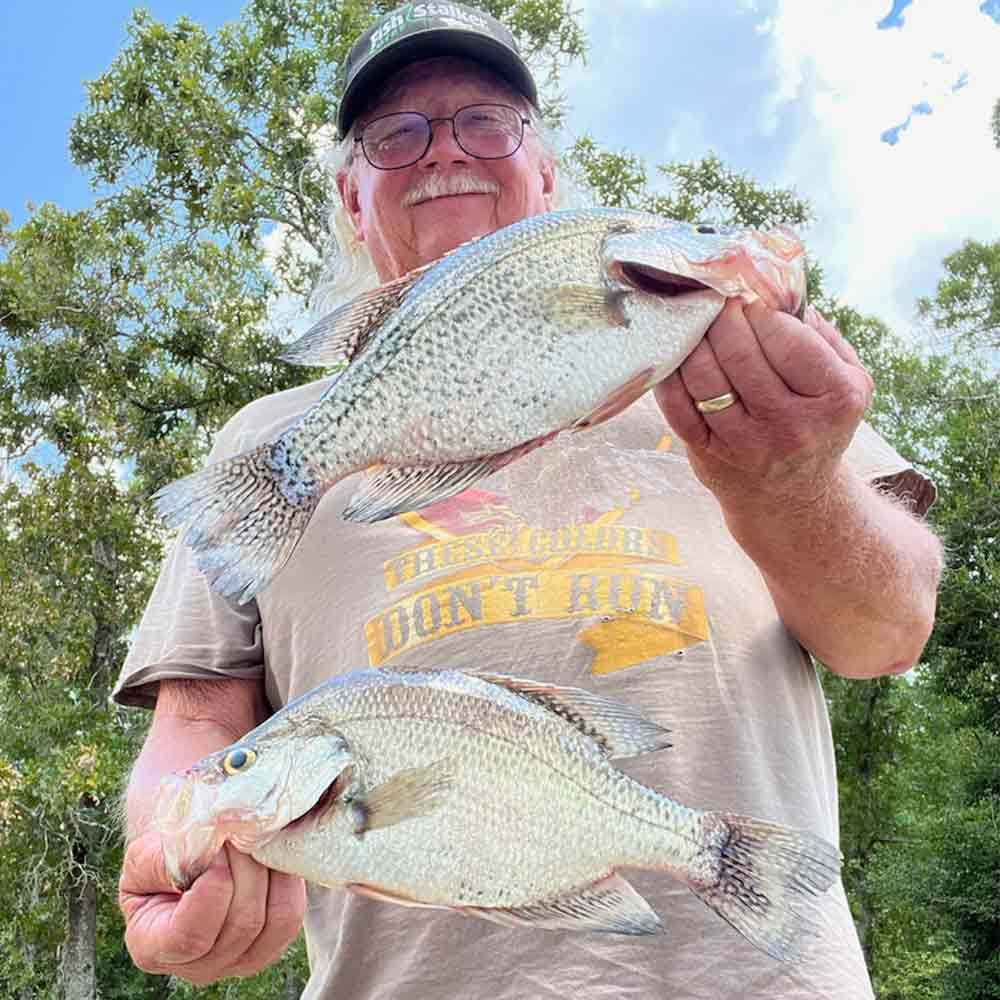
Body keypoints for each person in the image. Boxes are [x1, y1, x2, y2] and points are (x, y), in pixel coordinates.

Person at [114, 4, 942, 997]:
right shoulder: (267, 442)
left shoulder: (747, 379)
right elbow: (200, 720)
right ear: (348, 191)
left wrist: (794, 487)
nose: (441, 155)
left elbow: (887, 634)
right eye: (395, 136)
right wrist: (178, 848)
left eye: (484, 123)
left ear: (545, 170)